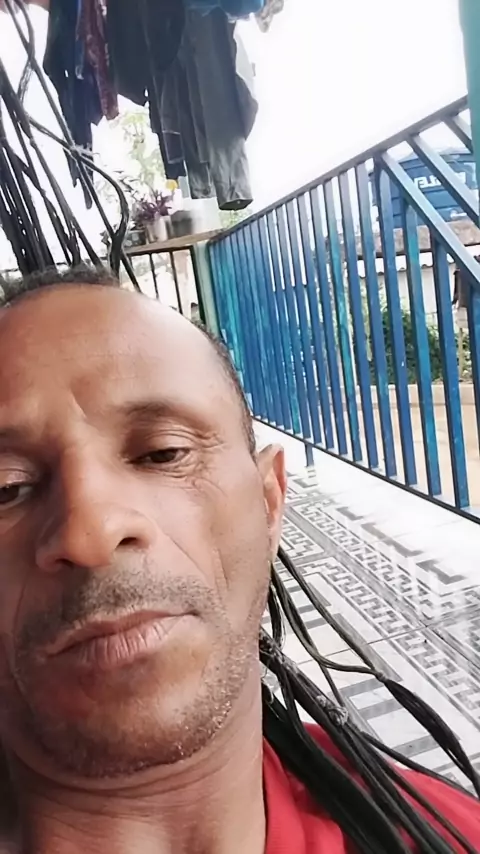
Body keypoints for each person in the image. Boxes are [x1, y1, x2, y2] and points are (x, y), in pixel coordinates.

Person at [0, 267, 478, 854]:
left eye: (163, 453)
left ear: (269, 502)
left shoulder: (449, 836)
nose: (91, 530)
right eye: (7, 487)